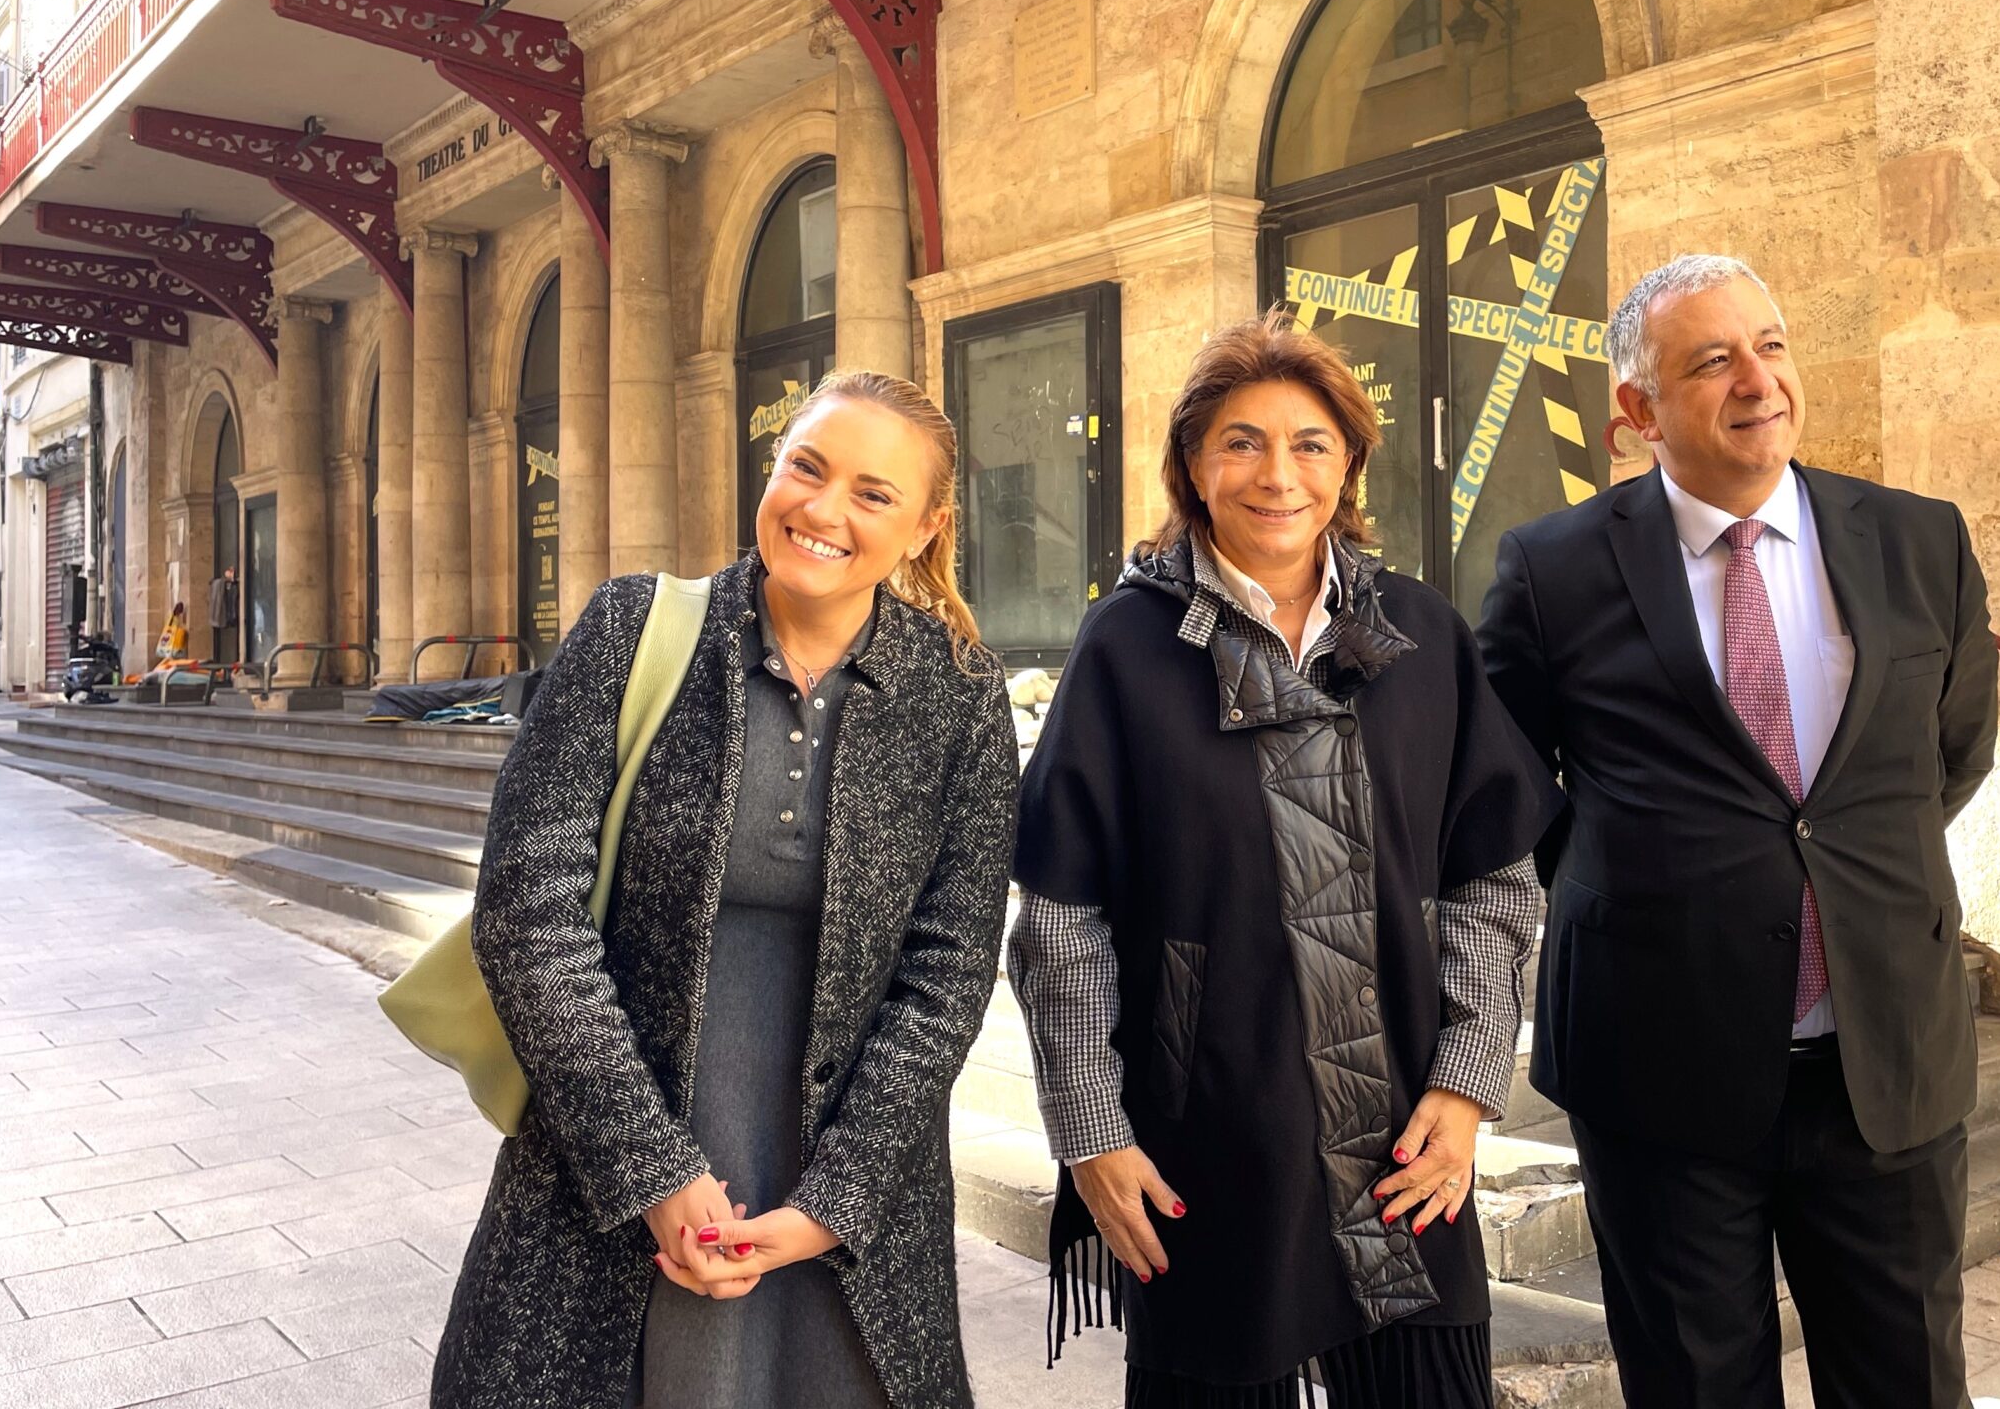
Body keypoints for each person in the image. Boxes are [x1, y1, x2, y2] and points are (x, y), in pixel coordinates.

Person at [431, 371, 1020, 1409]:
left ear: (927, 526)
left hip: (847, 1191)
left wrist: (835, 1202)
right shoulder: (632, 633)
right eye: (807, 466)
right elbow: (530, 912)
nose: (823, 510)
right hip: (606, 1160)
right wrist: (651, 1173)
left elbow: (951, 969)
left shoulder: (961, 695)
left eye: (874, 494)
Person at [1009, 312, 1561, 1408]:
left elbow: (1491, 880)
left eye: (1310, 442)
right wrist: (1091, 1132)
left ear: (1349, 459)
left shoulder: (1420, 634)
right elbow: (1062, 920)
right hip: (1207, 1126)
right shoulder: (1126, 649)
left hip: (1403, 1132)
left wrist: (1465, 1083)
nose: (1277, 473)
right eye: (1240, 441)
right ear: (1192, 466)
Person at [1476, 254, 1999, 1408]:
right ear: (1637, 412)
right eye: (1711, 359)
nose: (1756, 379)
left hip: (1884, 1068)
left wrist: (1824, 878)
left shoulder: (1919, 539)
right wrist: (1654, 894)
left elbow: (1947, 759)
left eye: (1769, 345)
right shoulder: (1552, 568)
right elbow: (1512, 796)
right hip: (1658, 1070)